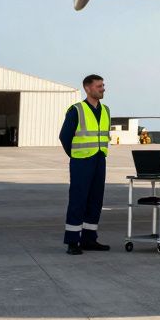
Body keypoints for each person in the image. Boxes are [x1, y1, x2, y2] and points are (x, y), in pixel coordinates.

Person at [59, 74, 112, 255]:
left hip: (99, 160)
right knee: (78, 200)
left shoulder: (105, 110)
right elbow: (65, 137)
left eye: (103, 85)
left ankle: (89, 239)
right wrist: (76, 156)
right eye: (99, 86)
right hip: (81, 161)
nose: (102, 88)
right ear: (88, 89)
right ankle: (73, 241)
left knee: (96, 200)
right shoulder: (76, 110)